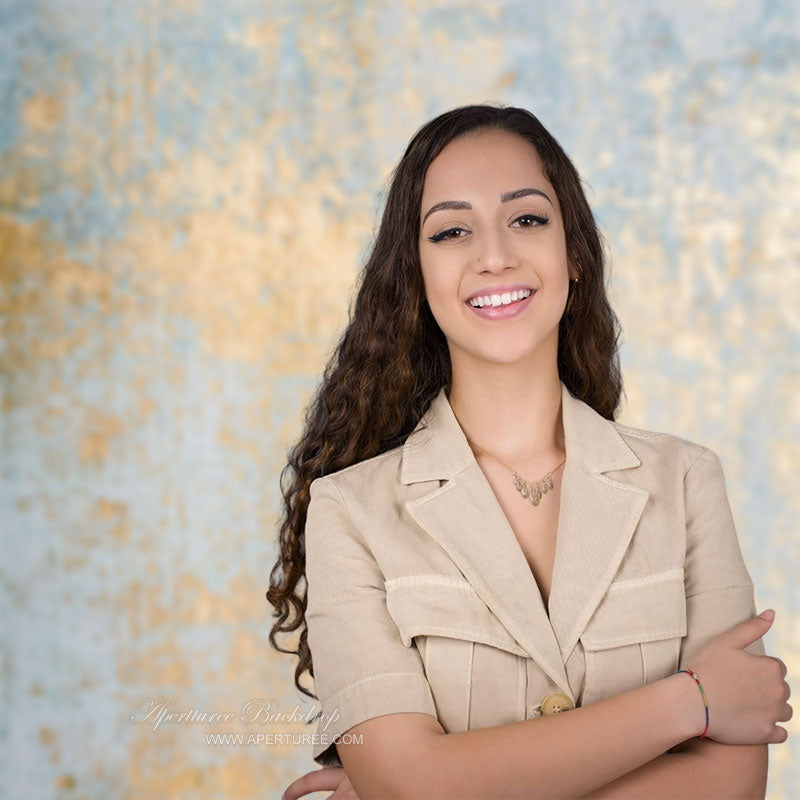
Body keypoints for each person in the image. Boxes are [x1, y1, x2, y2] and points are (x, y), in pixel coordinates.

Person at [267, 104, 792, 799]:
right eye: (452, 231)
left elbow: (730, 787)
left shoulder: (687, 482)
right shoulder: (349, 512)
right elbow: (410, 784)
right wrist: (690, 702)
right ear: (415, 276)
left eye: (527, 218)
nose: (494, 255)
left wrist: (437, 786)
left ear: (572, 250)